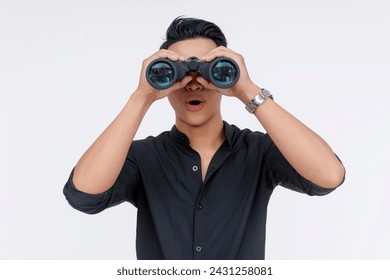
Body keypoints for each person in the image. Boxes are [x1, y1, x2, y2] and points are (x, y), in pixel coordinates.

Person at [63, 17, 345, 260]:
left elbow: (329, 176)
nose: (194, 82)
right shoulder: (143, 157)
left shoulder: (258, 152)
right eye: (180, 73)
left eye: (211, 70)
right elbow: (84, 194)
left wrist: (247, 89)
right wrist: (142, 96)